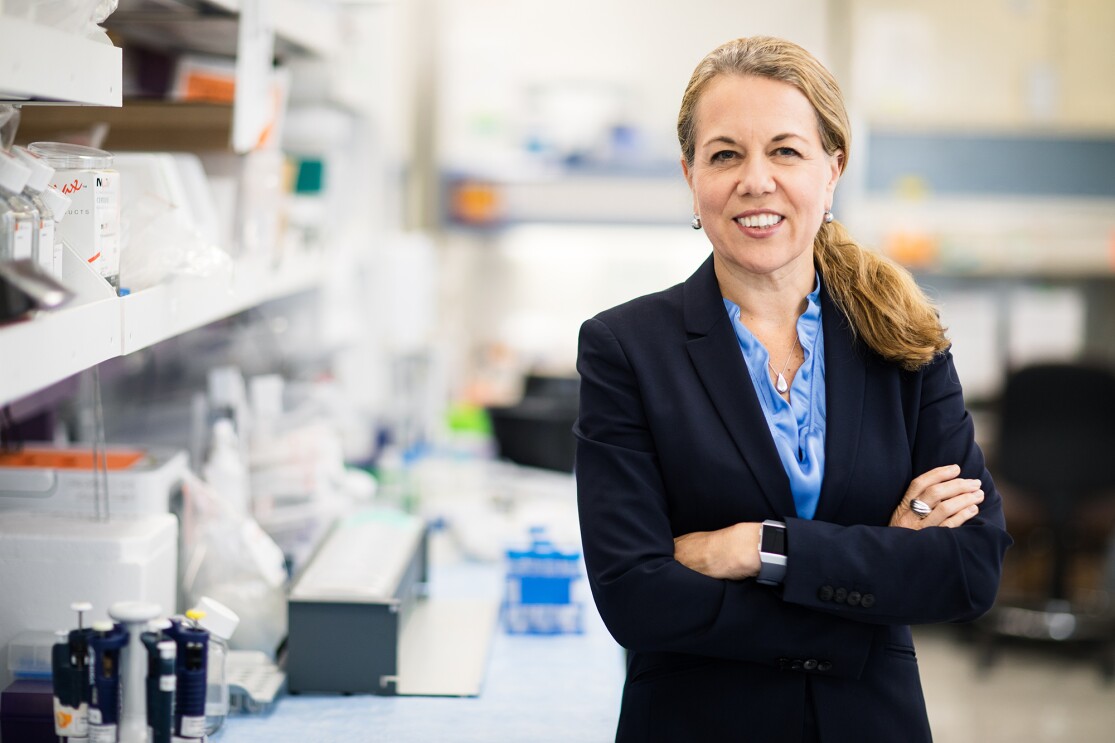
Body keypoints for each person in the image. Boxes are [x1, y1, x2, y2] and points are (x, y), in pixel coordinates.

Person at [574, 36, 1012, 743]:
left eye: (784, 150)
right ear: (689, 175)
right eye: (724, 154)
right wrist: (872, 571)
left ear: (831, 168)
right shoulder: (626, 348)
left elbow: (966, 569)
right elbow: (635, 596)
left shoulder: (903, 339)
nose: (755, 179)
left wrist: (758, 546)